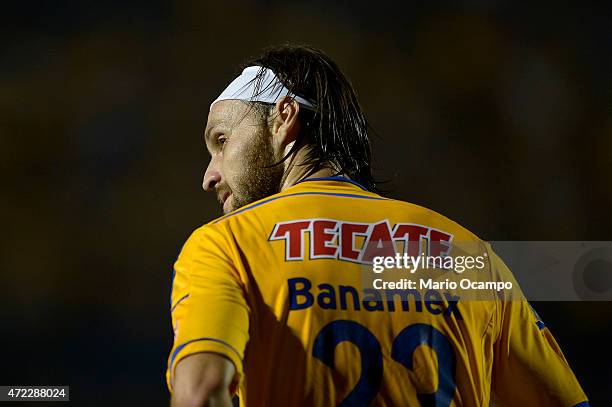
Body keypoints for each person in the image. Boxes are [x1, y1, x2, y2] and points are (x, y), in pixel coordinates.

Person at [167, 44, 589, 406]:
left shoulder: (226, 246)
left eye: (221, 141)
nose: (209, 176)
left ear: (284, 117)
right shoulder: (472, 254)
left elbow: (201, 394)